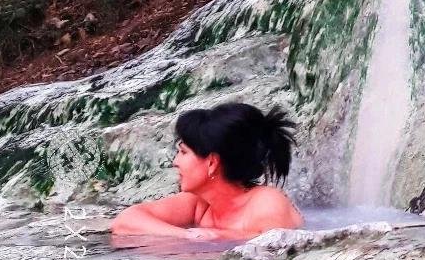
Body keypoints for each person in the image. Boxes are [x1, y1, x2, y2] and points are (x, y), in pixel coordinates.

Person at [111, 102, 303, 240]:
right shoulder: (200, 203)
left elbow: (278, 245)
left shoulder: (266, 202)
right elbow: (125, 221)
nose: (175, 162)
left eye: (183, 152)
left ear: (212, 162)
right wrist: (189, 236)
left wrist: (220, 236)